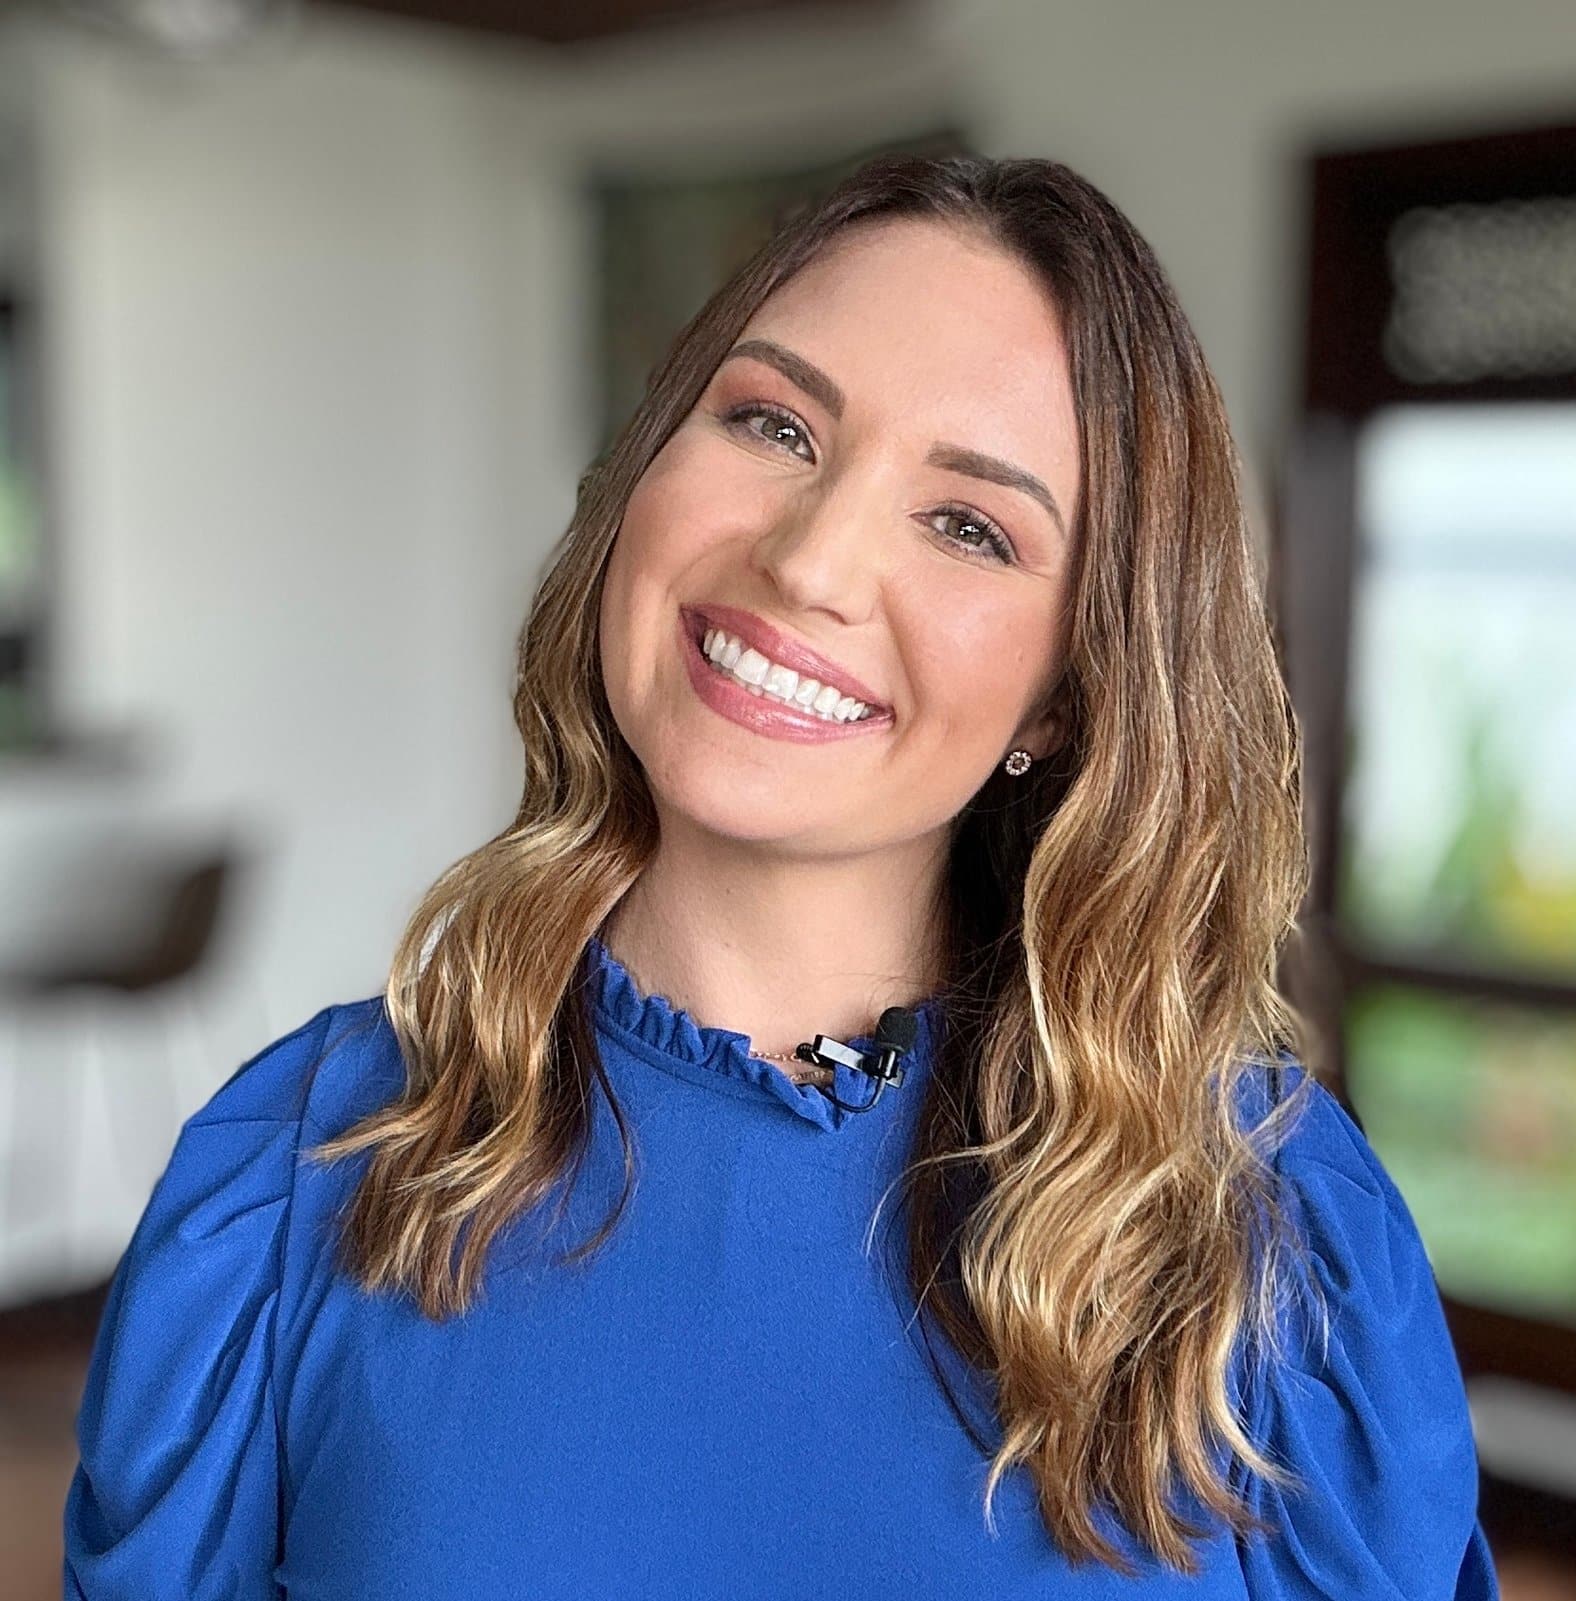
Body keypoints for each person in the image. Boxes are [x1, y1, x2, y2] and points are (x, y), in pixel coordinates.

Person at [62, 152, 1499, 1598]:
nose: (811, 559)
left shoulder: (1270, 1239)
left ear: (1065, 696)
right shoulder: (295, 1180)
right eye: (774, 423)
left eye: (969, 525)